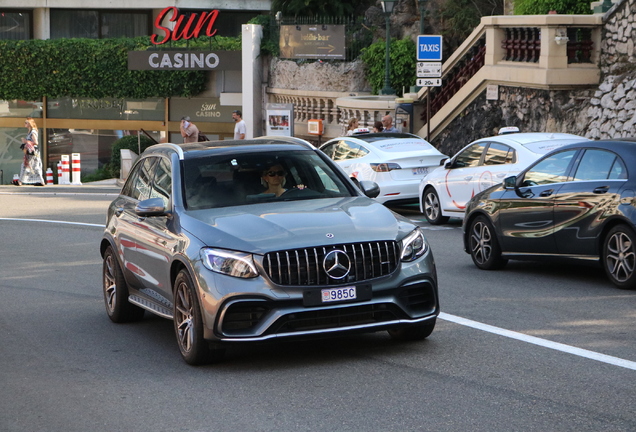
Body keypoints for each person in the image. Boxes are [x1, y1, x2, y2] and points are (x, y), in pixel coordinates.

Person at [16, 117, 45, 186]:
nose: (25, 124)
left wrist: (26, 141)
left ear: (30, 124)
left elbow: (36, 142)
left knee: (26, 165)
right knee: (34, 166)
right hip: (30, 151)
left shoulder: (33, 132)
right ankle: (40, 181)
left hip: (32, 152)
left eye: (26, 123)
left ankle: (20, 181)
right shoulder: (30, 131)